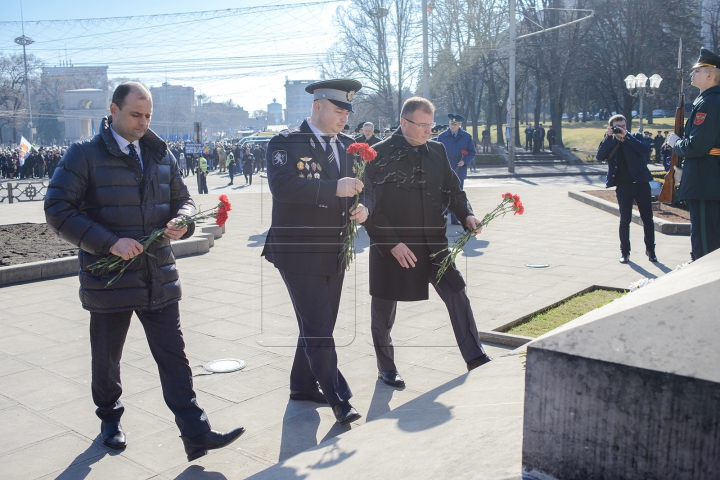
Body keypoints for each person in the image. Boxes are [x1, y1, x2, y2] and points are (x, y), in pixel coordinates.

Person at [43, 82, 243, 461]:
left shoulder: (158, 151)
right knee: (107, 358)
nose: (143, 122)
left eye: (148, 115)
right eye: (136, 114)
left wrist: (183, 222)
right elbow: (58, 208)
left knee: (174, 356)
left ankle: (196, 433)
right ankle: (110, 419)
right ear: (113, 110)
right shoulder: (83, 153)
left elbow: (182, 200)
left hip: (157, 273)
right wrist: (108, 242)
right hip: (111, 278)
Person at [262, 79, 371, 425]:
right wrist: (332, 189)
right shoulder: (286, 142)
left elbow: (367, 188)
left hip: (335, 250)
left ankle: (302, 385)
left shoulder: (350, 146)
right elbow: (282, 186)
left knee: (317, 323)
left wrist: (365, 207)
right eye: (338, 111)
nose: (344, 119)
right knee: (319, 326)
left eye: (347, 113)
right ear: (317, 106)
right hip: (298, 251)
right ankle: (339, 399)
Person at [364, 97, 492, 388]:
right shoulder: (377, 154)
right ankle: (386, 368)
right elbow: (370, 208)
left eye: (431, 126)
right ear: (404, 123)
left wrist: (467, 214)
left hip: (433, 243)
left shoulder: (436, 150)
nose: (428, 132)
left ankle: (475, 356)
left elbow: (452, 189)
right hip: (394, 247)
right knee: (384, 309)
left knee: (456, 292)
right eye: (422, 126)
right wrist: (392, 244)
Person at [667, 47, 720, 260]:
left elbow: (698, 145)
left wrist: (677, 144)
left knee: (705, 246)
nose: (692, 74)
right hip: (708, 179)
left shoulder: (709, 102)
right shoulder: (709, 100)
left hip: (704, 182)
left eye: (697, 71)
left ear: (710, 75)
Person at [596, 114, 656, 264]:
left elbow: (644, 150)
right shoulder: (610, 142)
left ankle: (651, 250)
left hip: (641, 184)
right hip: (623, 186)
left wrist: (627, 136)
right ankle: (625, 252)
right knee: (625, 220)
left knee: (648, 219)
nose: (621, 129)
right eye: (618, 127)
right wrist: (609, 136)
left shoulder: (635, 137)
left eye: (623, 126)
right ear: (611, 127)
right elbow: (600, 156)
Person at [438, 113, 476, 225]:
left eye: (455, 124)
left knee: (457, 195)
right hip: (445, 171)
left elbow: (472, 152)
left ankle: (456, 219)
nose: (452, 126)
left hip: (459, 171)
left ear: (459, 124)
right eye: (451, 124)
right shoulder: (442, 136)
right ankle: (443, 217)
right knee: (443, 194)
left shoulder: (466, 136)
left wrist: (464, 161)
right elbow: (437, 152)